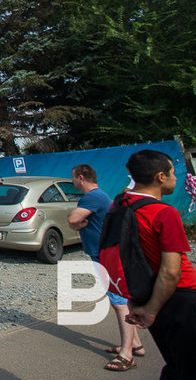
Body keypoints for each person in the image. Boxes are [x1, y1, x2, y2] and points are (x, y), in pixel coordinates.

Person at [119, 150, 196, 378]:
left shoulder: (121, 207)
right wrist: (151, 311)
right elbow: (171, 271)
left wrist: (137, 302)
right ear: (160, 177)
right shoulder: (164, 213)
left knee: (175, 362)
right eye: (172, 172)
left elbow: (124, 256)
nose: (175, 178)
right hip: (180, 297)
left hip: (145, 294)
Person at [67, 164, 144, 370]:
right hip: (104, 253)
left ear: (81, 178)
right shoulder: (99, 196)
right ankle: (135, 344)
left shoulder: (92, 197)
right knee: (120, 300)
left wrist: (74, 223)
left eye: (73, 178)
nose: (72, 181)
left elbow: (73, 219)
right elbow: (76, 222)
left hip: (105, 255)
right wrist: (76, 224)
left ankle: (126, 355)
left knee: (119, 303)